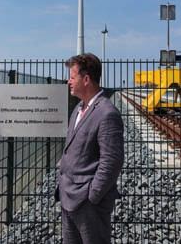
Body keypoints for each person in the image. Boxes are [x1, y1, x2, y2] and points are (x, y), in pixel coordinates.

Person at [55, 53, 124, 244]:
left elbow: (112, 161)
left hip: (88, 204)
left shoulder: (107, 113)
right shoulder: (78, 109)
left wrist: (92, 196)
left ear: (86, 79)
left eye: (72, 77)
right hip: (68, 196)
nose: (68, 81)